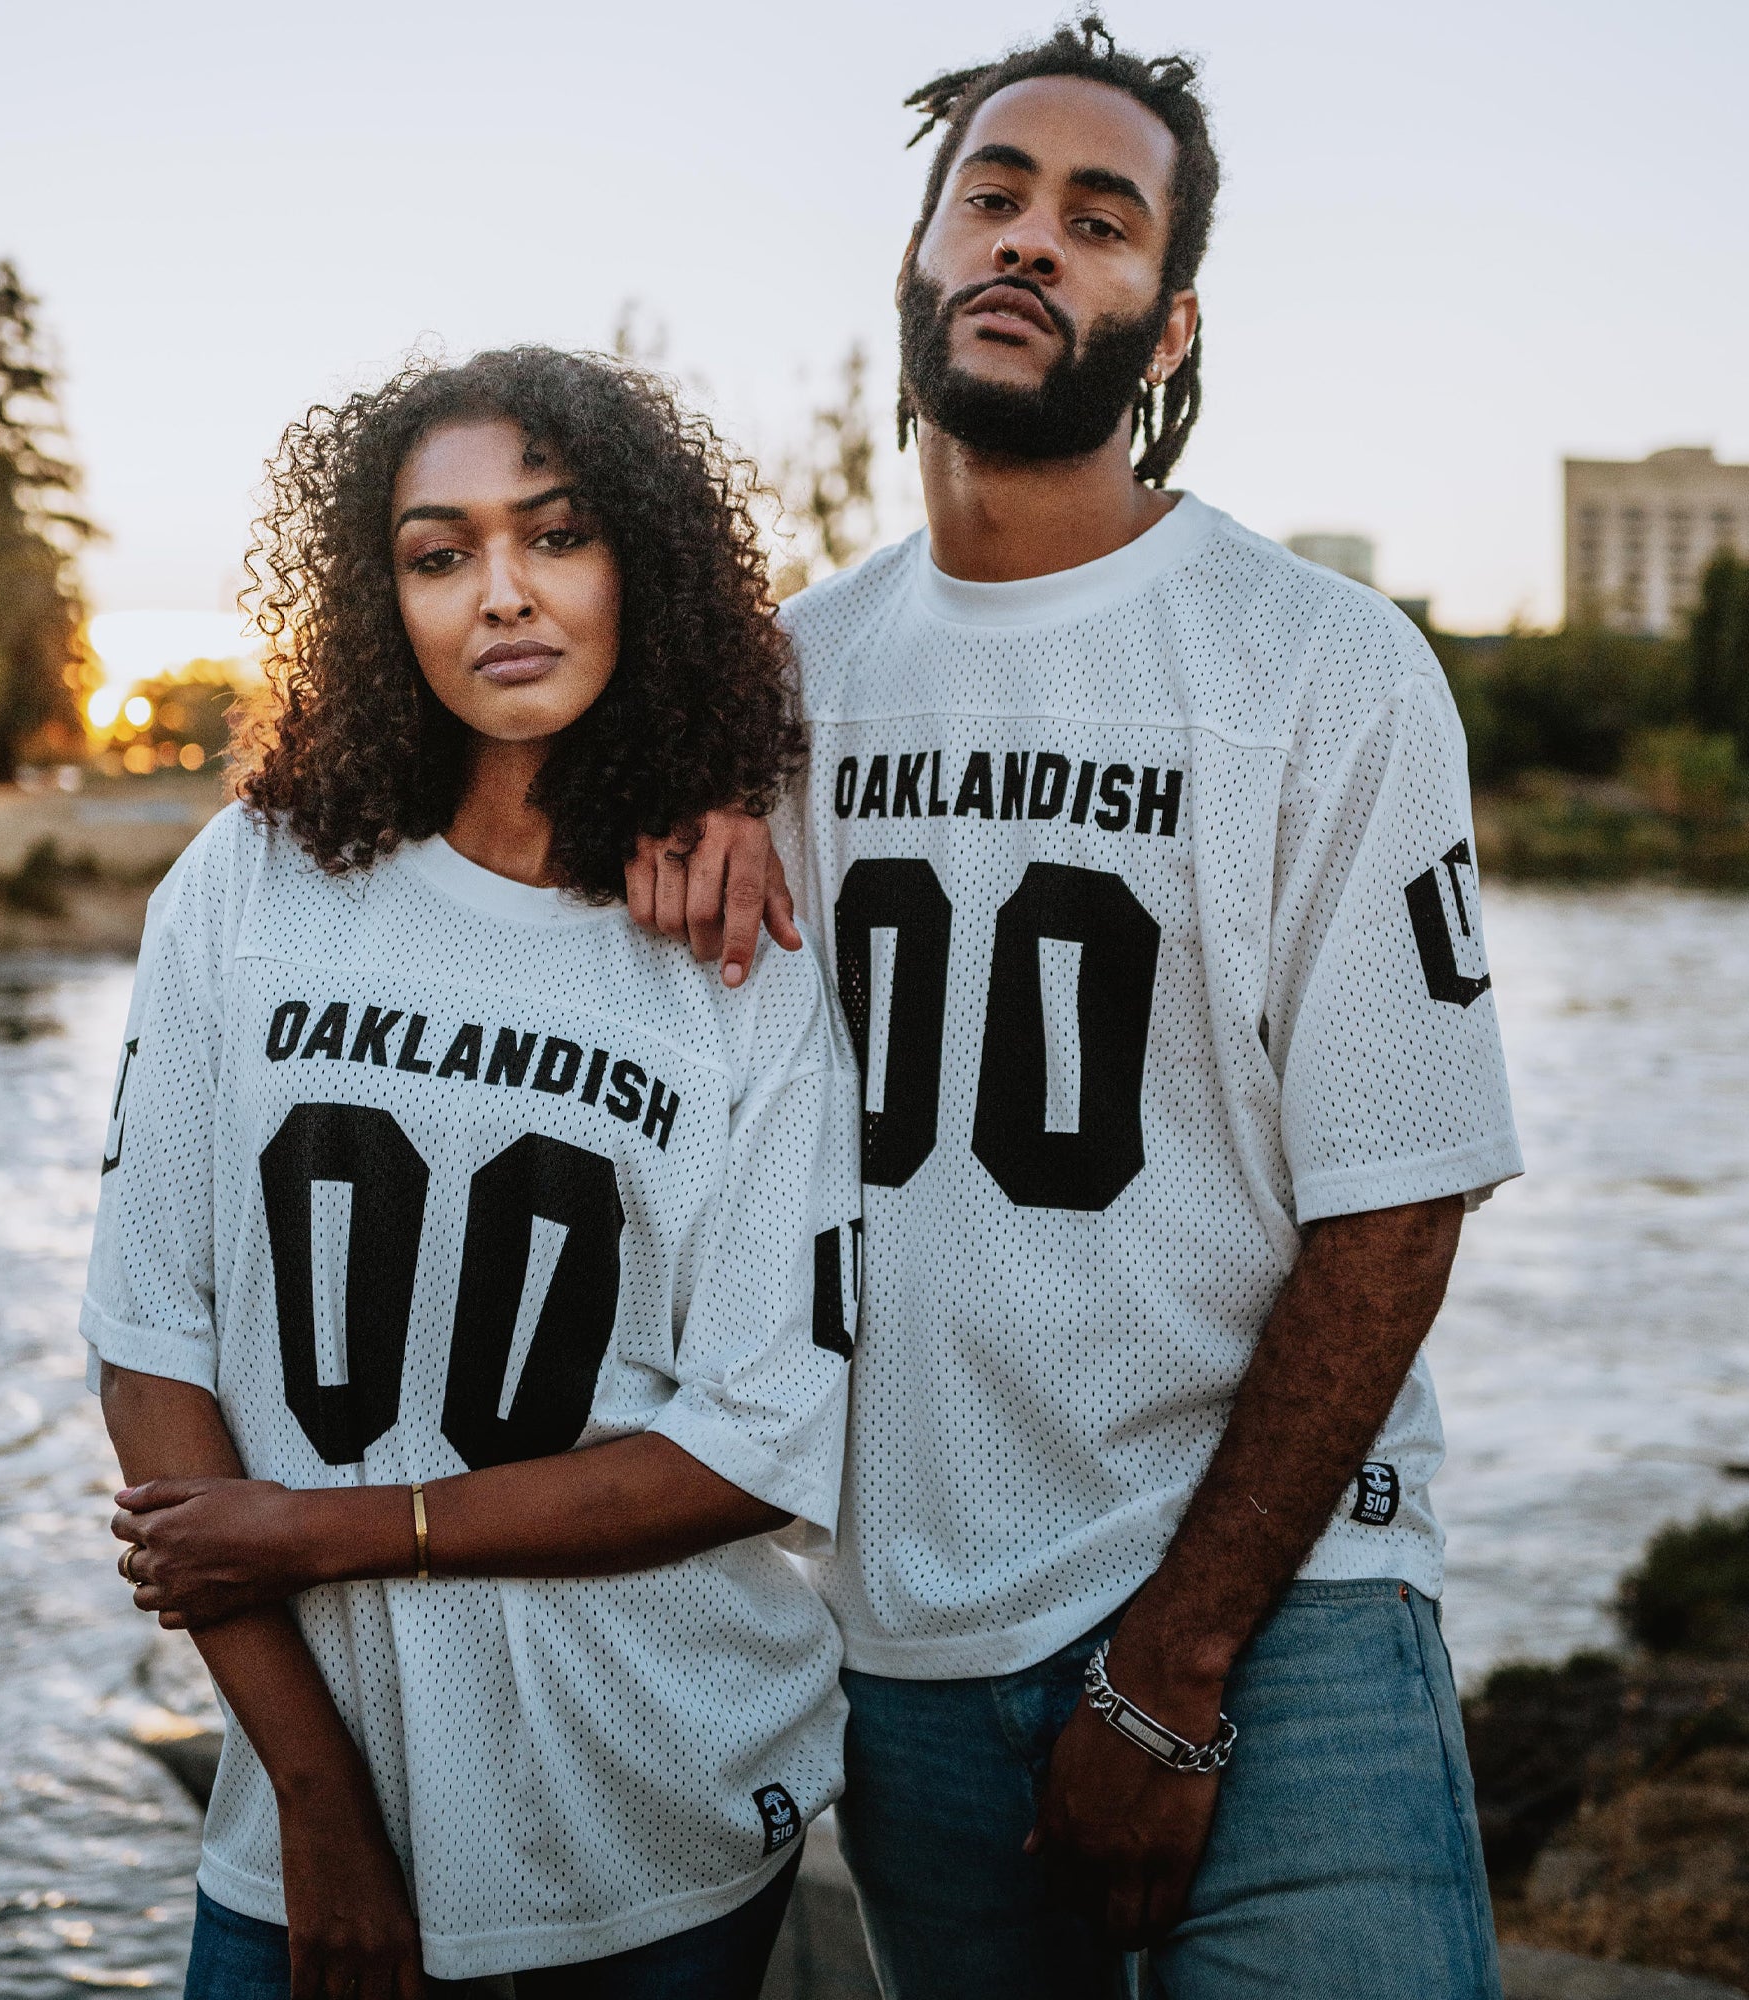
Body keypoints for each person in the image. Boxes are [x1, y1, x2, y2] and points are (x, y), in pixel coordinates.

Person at [628, 17, 1523, 1998]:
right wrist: (664, 778)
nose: (1033, 241)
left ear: (1171, 324)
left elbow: (1397, 1203)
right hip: (907, 1645)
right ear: (916, 268)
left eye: (1098, 219)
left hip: (1284, 1603)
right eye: (994, 197)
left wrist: (1179, 1653)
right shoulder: (770, 690)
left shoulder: (1322, 665)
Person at [83, 347, 862, 1999]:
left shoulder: (740, 943)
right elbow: (152, 1343)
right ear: (381, 603)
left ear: (642, 565)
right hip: (302, 1825)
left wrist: (323, 1528)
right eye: (439, 554)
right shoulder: (253, 885)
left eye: (556, 535)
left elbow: (758, 1442)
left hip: (658, 1826)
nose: (501, 594)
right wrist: (319, 1808)